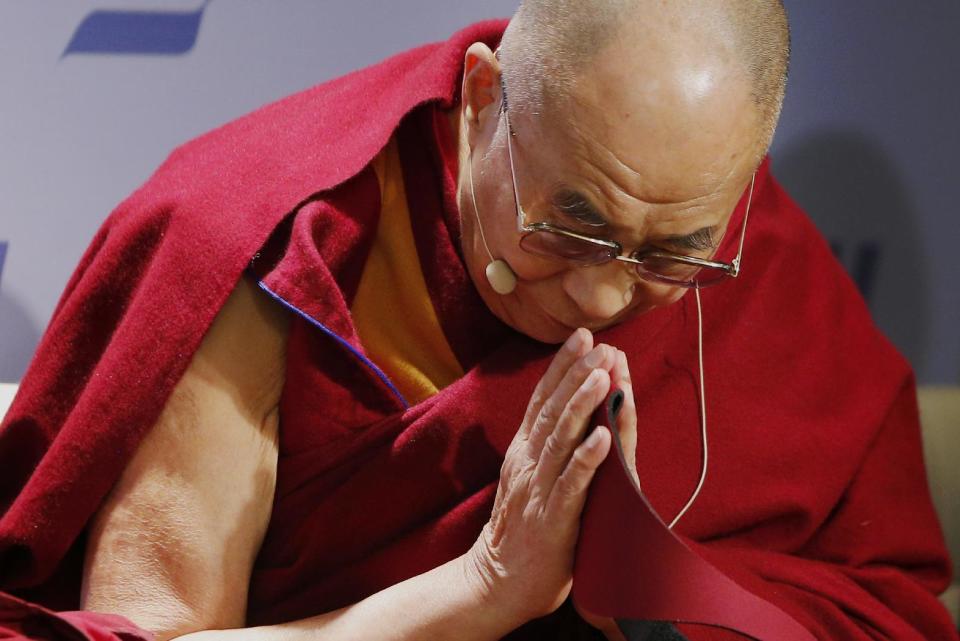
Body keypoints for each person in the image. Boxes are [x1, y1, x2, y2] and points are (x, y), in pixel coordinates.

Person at [0, 1, 955, 640]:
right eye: (569, 223)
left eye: (670, 254)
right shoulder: (270, 243)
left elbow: (880, 606)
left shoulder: (763, 258)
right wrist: (481, 588)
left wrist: (661, 597)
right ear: (488, 96)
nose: (604, 299)